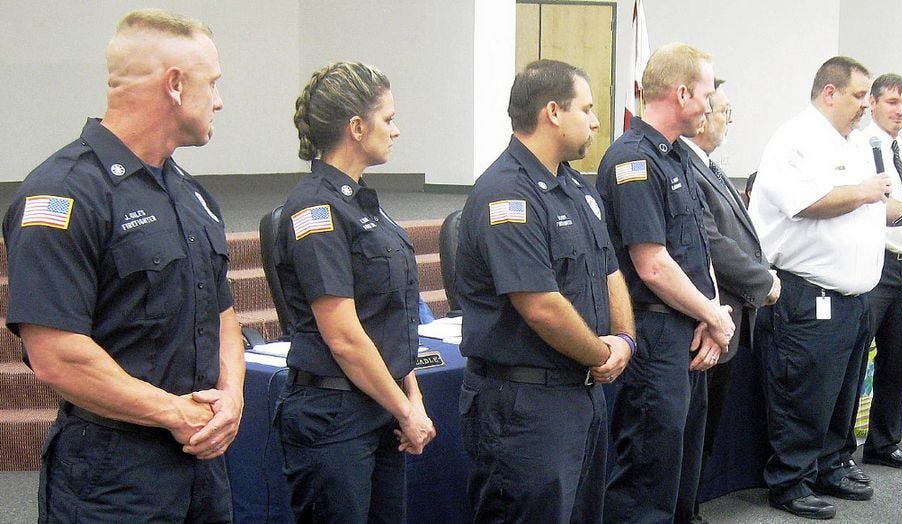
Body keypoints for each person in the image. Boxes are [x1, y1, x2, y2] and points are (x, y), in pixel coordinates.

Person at [2, 9, 243, 521]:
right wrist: (175, 412)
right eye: (213, 83)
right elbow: (56, 356)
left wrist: (233, 396)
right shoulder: (64, 192)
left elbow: (221, 312)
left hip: (202, 461)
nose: (219, 100)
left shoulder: (189, 194)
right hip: (113, 476)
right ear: (175, 85)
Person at [749, 57, 902, 520]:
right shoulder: (795, 140)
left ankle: (832, 465)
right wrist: (867, 192)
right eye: (858, 96)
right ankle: (790, 482)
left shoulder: (851, 143)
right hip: (808, 293)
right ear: (829, 92)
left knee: (843, 393)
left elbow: (871, 207)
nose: (864, 105)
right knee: (804, 394)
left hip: (855, 297)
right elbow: (807, 202)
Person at [457, 59, 633, 523]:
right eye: (588, 108)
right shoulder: (507, 195)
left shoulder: (577, 187)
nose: (596, 121)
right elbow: (540, 307)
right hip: (524, 406)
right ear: (553, 112)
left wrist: (625, 340)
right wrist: (601, 353)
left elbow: (610, 272)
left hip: (581, 395)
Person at [273, 61, 436, 522]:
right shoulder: (316, 209)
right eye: (388, 119)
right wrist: (405, 410)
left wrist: (412, 401)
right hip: (333, 415)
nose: (396, 130)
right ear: (357, 127)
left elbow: (386, 320)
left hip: (376, 405)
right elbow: (343, 335)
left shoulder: (360, 202)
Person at [598, 43, 734, 524]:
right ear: (681, 93)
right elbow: (652, 264)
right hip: (655, 334)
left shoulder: (678, 158)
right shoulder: (633, 160)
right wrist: (713, 314)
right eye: (707, 92)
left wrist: (711, 313)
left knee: (681, 471)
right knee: (647, 476)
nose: (712, 103)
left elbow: (699, 251)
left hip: (689, 329)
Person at [680, 78, 780, 521]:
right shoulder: (685, 166)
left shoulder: (710, 166)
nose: (728, 118)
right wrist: (763, 281)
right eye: (723, 109)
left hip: (727, 315)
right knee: (689, 433)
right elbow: (711, 243)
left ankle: (691, 507)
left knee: (704, 431)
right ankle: (685, 511)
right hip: (703, 318)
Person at [846, 73, 902, 472]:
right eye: (893, 102)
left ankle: (883, 443)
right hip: (873, 263)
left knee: (897, 362)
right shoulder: (857, 146)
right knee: (856, 360)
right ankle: (842, 449)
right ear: (874, 103)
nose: (900, 111)